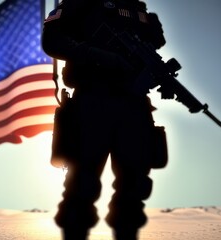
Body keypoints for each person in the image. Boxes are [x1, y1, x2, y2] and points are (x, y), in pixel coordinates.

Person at [42, 0, 167, 239]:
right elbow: (52, 40)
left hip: (134, 105)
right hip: (92, 103)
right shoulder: (82, 4)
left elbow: (154, 45)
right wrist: (97, 55)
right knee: (82, 186)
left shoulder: (139, 11)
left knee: (134, 188)